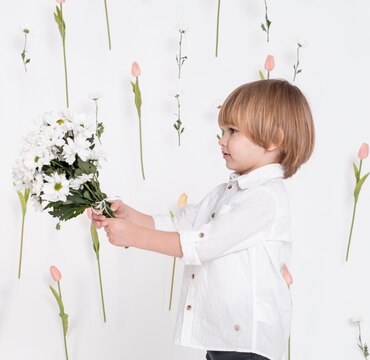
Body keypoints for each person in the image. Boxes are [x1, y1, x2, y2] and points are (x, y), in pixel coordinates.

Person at [90, 79, 314, 360]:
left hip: (248, 343)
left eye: (233, 131)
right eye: (223, 130)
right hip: (225, 338)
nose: (221, 139)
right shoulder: (227, 192)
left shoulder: (264, 198)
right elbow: (183, 224)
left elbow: (204, 244)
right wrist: (130, 217)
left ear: (274, 140)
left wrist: (133, 236)